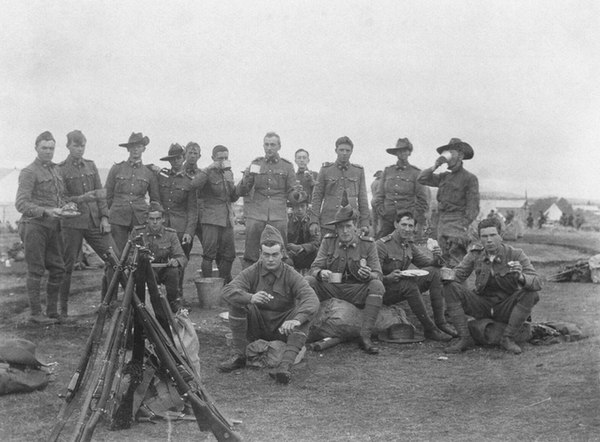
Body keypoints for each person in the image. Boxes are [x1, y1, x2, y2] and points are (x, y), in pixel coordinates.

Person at [219, 225, 319, 384]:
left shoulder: (290, 273)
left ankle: (285, 366)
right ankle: (239, 355)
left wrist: (297, 320)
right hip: (257, 325)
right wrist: (250, 297)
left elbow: (311, 298)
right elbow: (227, 290)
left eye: (275, 254)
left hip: (283, 328)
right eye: (266, 255)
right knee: (236, 302)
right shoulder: (252, 271)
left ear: (282, 254)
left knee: (305, 315)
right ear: (260, 254)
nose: (270, 259)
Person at [442, 217, 542, 354]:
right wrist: (446, 273)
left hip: (506, 306)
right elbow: (458, 275)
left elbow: (537, 282)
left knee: (531, 293)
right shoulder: (475, 254)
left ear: (501, 236)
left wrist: (520, 276)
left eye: (493, 235)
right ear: (480, 238)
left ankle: (508, 338)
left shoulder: (515, 254)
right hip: (482, 304)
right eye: (484, 236)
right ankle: (464, 338)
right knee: (450, 287)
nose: (489, 240)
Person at [305, 195, 385, 354]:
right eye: (341, 227)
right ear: (336, 228)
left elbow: (379, 274)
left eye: (348, 226)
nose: (345, 231)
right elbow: (314, 268)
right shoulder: (328, 241)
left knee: (377, 285)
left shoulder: (368, 244)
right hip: (333, 287)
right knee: (308, 281)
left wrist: (369, 274)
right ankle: (305, 328)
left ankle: (365, 336)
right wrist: (321, 273)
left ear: (355, 226)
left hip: (357, 289)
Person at [58, 130, 113, 319]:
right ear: (68, 146)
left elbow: (101, 193)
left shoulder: (91, 166)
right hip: (71, 223)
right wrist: (80, 198)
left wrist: (105, 217)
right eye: (75, 145)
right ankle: (61, 310)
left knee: (113, 259)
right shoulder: (61, 169)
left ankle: (108, 305)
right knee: (66, 266)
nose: (79, 149)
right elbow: (60, 199)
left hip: (94, 221)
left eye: (82, 145)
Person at [376, 211, 455, 341]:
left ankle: (441, 323)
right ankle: (430, 329)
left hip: (400, 287)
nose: (407, 229)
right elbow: (372, 275)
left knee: (434, 272)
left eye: (410, 226)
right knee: (409, 284)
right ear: (396, 224)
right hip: (383, 291)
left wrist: (437, 255)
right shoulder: (381, 245)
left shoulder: (408, 245)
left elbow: (429, 264)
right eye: (404, 225)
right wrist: (387, 278)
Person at [15, 131, 65, 324]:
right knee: (35, 269)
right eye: (44, 148)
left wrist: (66, 207)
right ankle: (36, 314)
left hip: (53, 226)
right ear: (36, 148)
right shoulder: (29, 172)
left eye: (51, 148)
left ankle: (52, 312)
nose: (48, 151)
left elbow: (60, 197)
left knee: (58, 268)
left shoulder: (56, 170)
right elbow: (21, 204)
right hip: (34, 226)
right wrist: (46, 211)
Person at [236, 132, 297, 268]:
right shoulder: (256, 163)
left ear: (279, 146)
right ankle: (250, 285)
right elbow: (242, 191)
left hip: (278, 214)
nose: (269, 148)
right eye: (267, 144)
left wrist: (297, 195)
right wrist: (247, 177)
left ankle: (280, 285)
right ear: (263, 146)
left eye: (273, 145)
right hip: (257, 214)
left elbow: (292, 193)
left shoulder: (287, 166)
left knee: (280, 252)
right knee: (251, 254)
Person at [417, 138, 479, 267]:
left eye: (451, 152)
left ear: (460, 155)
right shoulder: (444, 177)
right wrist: (436, 165)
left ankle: (460, 287)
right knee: (441, 263)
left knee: (457, 265)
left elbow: (473, 208)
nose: (447, 155)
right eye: (446, 152)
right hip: (442, 224)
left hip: (457, 225)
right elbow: (421, 179)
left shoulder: (469, 178)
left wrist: (462, 226)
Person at [105, 132, 160, 255]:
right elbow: (107, 196)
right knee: (117, 255)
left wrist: (153, 219)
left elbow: (155, 200)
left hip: (140, 218)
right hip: (118, 217)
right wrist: (106, 217)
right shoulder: (117, 169)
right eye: (133, 146)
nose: (135, 149)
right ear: (128, 149)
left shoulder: (149, 173)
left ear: (143, 149)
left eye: (139, 146)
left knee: (141, 255)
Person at [130, 202, 187, 313]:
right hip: (145, 271)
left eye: (158, 219)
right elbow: (130, 255)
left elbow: (182, 257)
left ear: (163, 219)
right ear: (147, 219)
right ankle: (145, 305)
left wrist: (176, 261)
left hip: (163, 270)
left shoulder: (170, 234)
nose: (155, 222)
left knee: (173, 272)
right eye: (152, 219)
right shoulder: (137, 233)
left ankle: (172, 302)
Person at [194, 145, 238, 283]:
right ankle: (208, 288)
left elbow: (233, 197)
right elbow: (194, 184)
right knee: (209, 255)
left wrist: (232, 181)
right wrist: (209, 168)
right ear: (213, 158)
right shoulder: (206, 172)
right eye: (220, 158)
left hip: (226, 219)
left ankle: (224, 282)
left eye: (226, 157)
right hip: (211, 219)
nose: (223, 160)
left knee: (230, 255)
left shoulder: (228, 173)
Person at [311, 136, 371, 236]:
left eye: (347, 150)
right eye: (341, 150)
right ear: (336, 150)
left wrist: (364, 222)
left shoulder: (358, 171)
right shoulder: (326, 170)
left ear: (352, 151)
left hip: (350, 223)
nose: (344, 153)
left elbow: (363, 198)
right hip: (328, 222)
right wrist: (314, 221)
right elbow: (317, 197)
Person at [372, 138, 429, 239]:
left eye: (405, 150)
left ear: (409, 152)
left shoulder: (416, 173)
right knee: (380, 248)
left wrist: (411, 218)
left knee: (405, 251)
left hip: (406, 223)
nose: (402, 153)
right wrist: (383, 212)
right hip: (387, 220)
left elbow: (423, 201)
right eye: (399, 150)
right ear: (396, 153)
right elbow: (379, 195)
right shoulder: (388, 171)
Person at [286, 190, 320, 272]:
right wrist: (291, 249)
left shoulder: (312, 223)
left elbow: (316, 243)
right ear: (293, 208)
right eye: (297, 207)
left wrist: (301, 247)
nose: (300, 209)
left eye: (302, 206)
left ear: (307, 207)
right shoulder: (287, 221)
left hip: (308, 255)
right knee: (286, 261)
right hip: (291, 255)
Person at [183, 141, 204, 248]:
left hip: (201, 218)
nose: (192, 156)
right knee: (183, 250)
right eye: (190, 153)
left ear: (199, 156)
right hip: (185, 219)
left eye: (195, 153)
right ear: (185, 154)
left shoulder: (203, 174)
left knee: (209, 249)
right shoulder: (179, 173)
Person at [370, 170, 383, 236]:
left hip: (373, 200)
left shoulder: (373, 182)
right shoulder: (381, 183)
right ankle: (380, 233)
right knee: (381, 218)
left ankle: (374, 233)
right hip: (379, 201)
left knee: (374, 218)